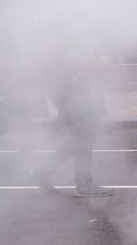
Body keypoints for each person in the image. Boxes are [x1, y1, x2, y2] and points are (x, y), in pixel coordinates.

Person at [31, 54, 111, 197]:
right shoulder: (71, 55)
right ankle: (83, 184)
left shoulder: (75, 53)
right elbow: (65, 81)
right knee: (83, 141)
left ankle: (46, 170)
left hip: (78, 103)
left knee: (81, 141)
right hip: (74, 104)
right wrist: (97, 61)